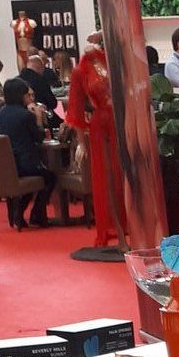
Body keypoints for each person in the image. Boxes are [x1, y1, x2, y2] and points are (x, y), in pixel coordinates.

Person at [66, 32, 118, 246]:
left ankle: (129, 224)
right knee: (105, 175)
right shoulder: (81, 70)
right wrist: (80, 141)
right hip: (101, 124)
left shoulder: (115, 61)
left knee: (123, 173)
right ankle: (111, 226)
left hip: (121, 121)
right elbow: (76, 108)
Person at [0, 77, 56, 228]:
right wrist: (38, 118)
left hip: (10, 163)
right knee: (50, 178)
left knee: (34, 183)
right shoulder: (26, 115)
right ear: (21, 95)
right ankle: (37, 213)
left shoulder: (2, 112)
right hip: (27, 162)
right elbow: (39, 137)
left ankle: (19, 213)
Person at [19, 52, 63, 130]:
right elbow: (52, 103)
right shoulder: (41, 81)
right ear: (40, 67)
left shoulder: (17, 80)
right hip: (42, 116)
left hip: (21, 118)